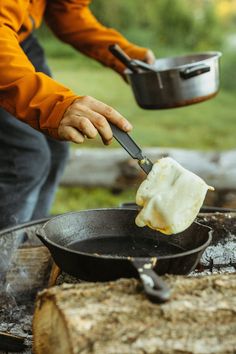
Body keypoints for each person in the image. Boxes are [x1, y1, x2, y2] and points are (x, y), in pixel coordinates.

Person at [0, 0, 155, 230]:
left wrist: (126, 56)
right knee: (26, 160)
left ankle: (26, 244)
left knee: (56, 150)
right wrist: (54, 106)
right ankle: (6, 257)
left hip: (20, 35)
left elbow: (66, 9)